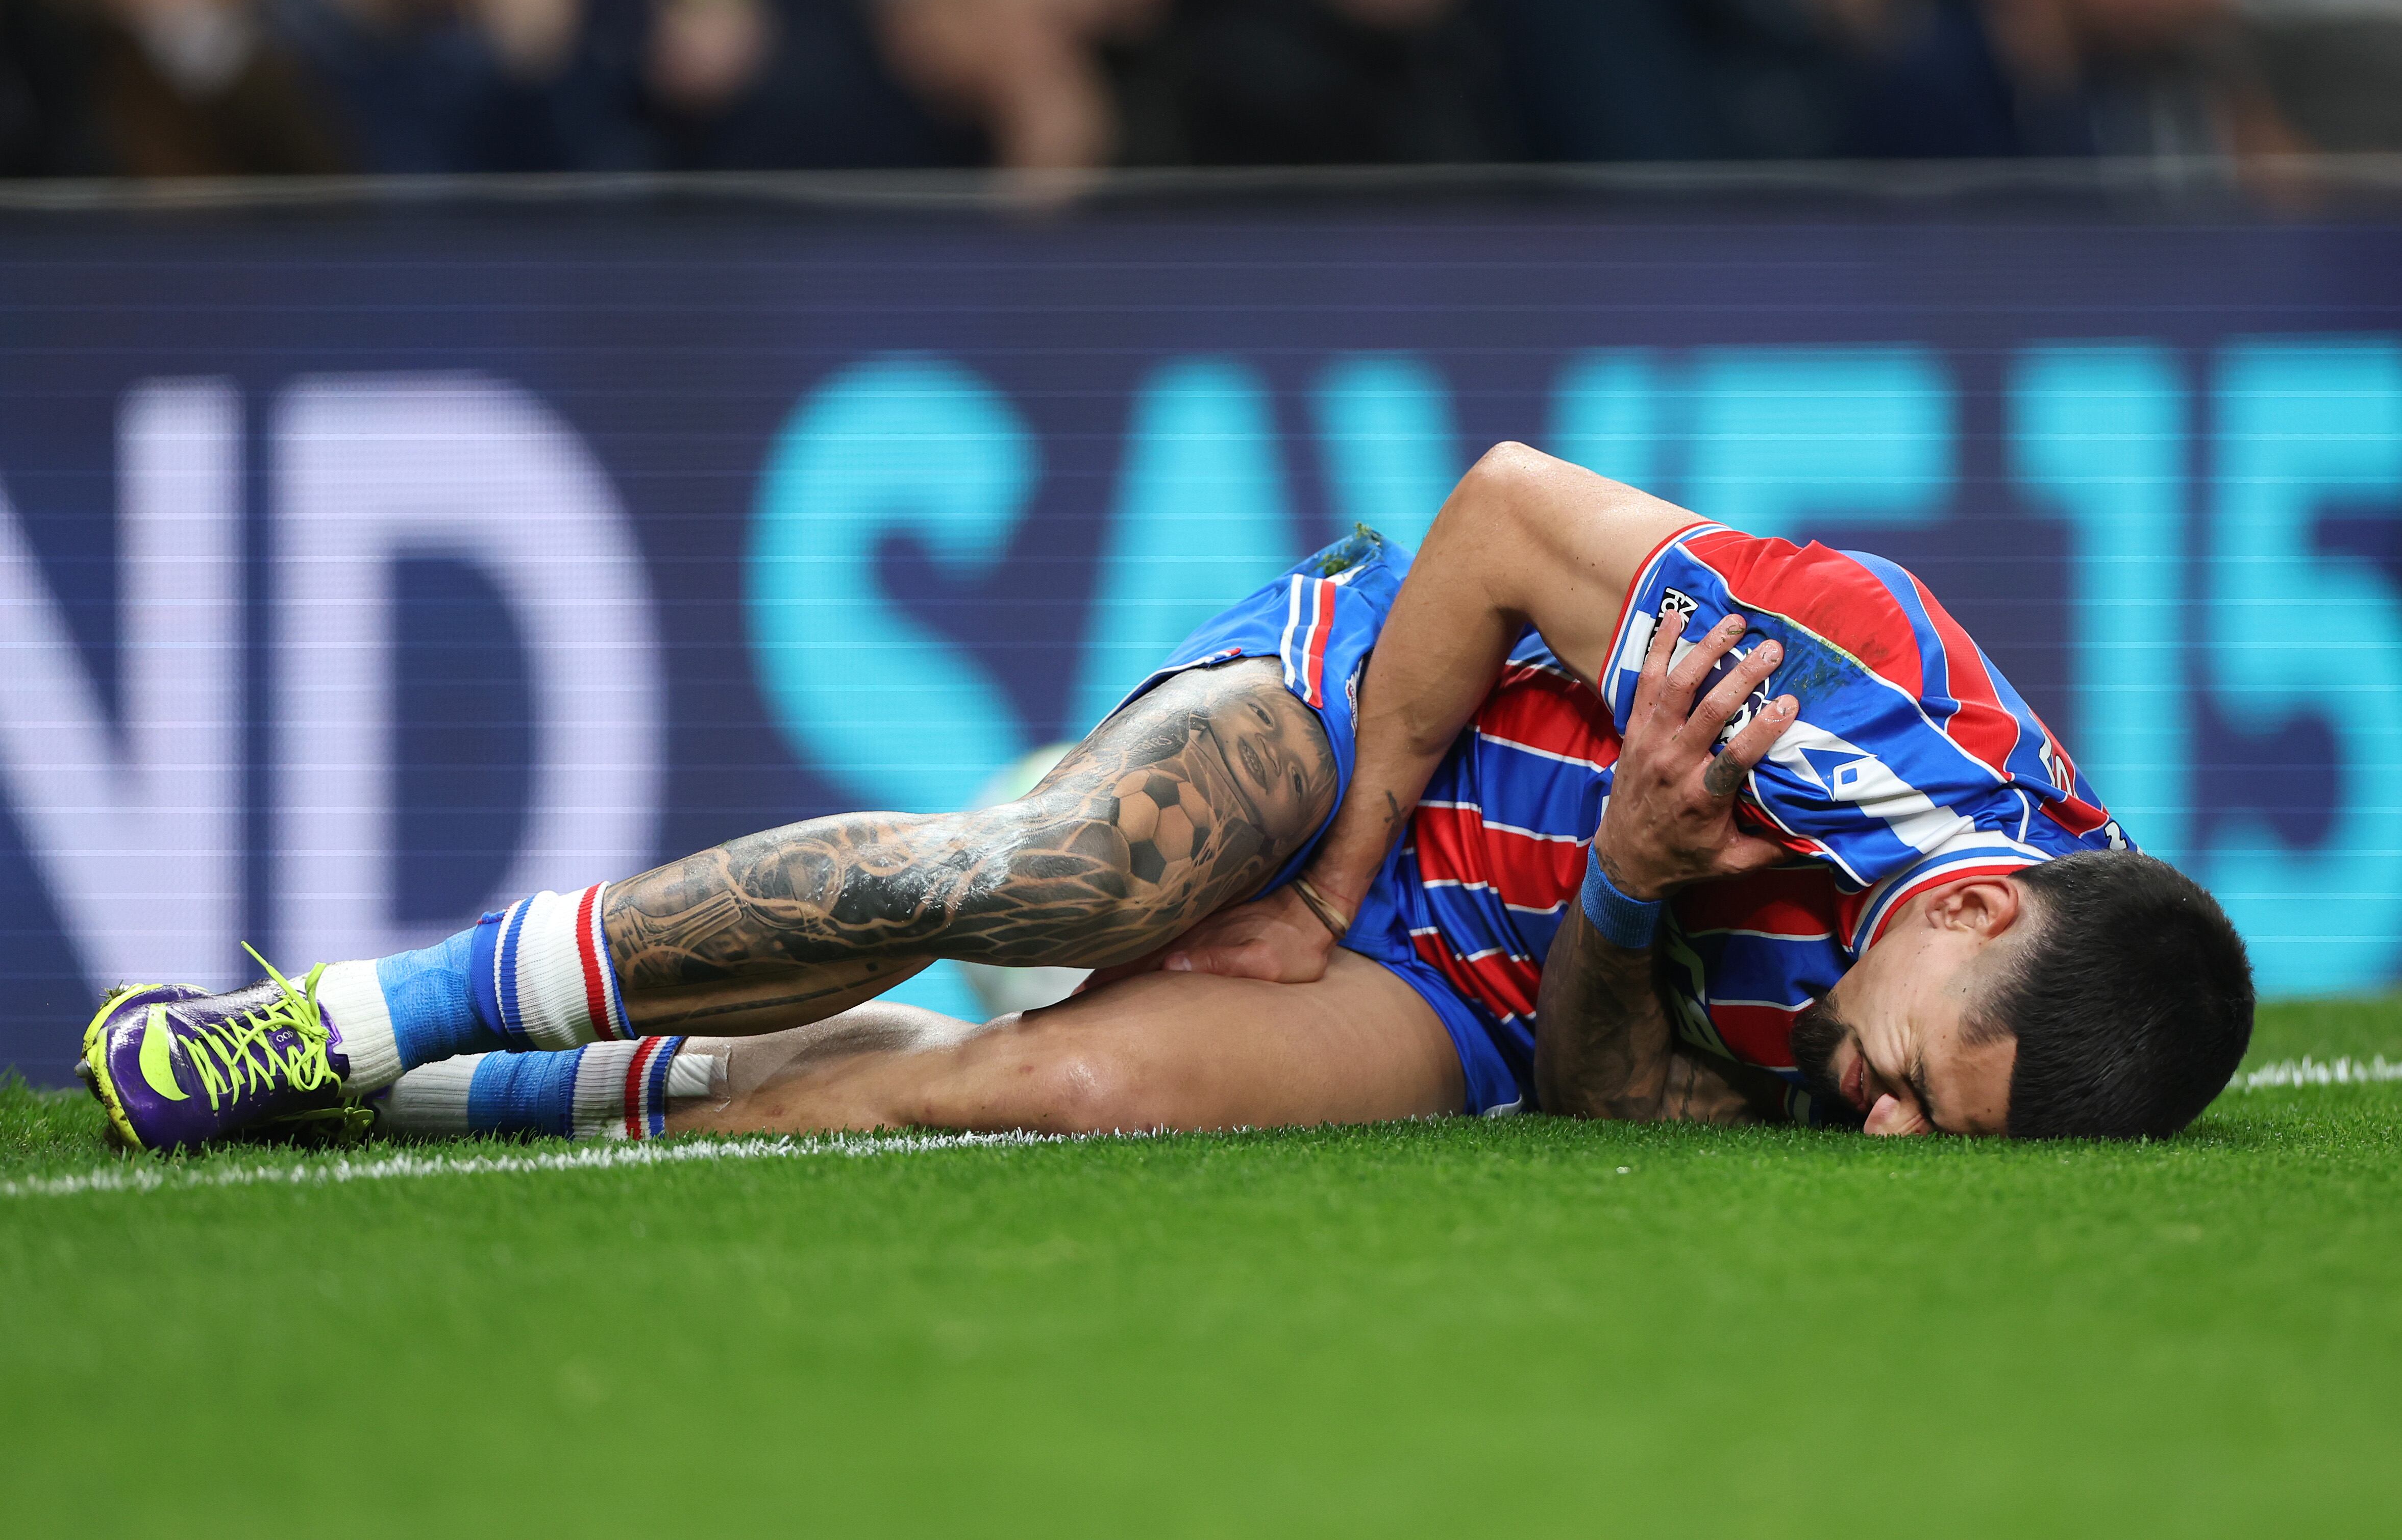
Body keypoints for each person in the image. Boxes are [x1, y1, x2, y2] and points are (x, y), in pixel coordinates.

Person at [78, 443, 2254, 1153]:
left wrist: (1614, 890)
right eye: (1900, 1087)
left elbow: (1601, 1108)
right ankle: (352, 1016)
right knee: (1022, 872)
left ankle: (461, 1106)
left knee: (1028, 1091)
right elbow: (1495, 516)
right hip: (1369, 728)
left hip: (1492, 971)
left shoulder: (1973, 1017)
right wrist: (1327, 865)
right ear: (1971, 910)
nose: (1865, 1116)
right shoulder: (1863, 680)